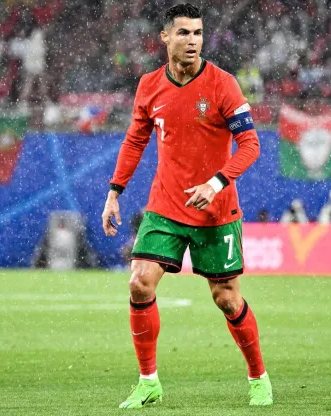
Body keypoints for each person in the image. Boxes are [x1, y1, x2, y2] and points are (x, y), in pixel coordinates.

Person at [101, 3, 271, 408]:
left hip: (216, 208)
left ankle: (258, 377)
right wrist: (114, 191)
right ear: (165, 38)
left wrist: (215, 183)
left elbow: (251, 145)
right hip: (165, 205)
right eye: (183, 33)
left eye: (197, 33)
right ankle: (148, 383)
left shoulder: (223, 84)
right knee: (140, 282)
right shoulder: (149, 86)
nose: (192, 40)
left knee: (226, 298)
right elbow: (135, 140)